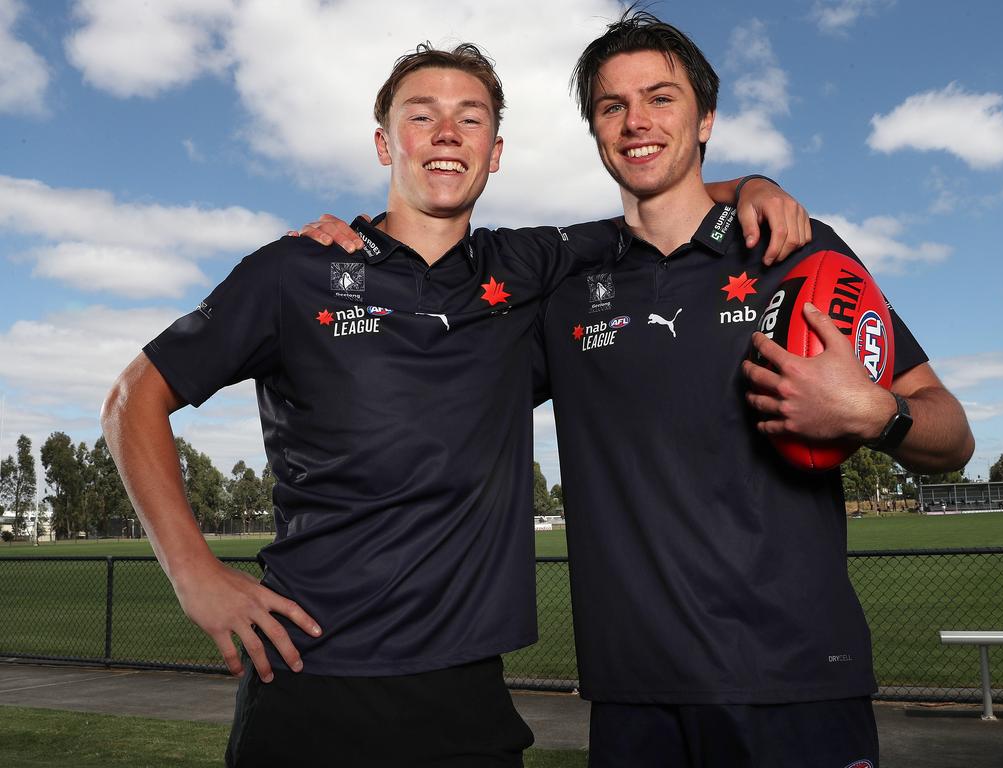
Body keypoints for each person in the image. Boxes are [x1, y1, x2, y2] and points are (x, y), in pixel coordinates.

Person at [101, 41, 808, 767]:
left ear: (494, 152)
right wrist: (195, 575)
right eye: (422, 116)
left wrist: (751, 184)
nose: (446, 134)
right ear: (384, 142)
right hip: (310, 680)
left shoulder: (526, 267)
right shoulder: (294, 272)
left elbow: (663, 204)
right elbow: (132, 400)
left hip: (467, 696)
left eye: (469, 120)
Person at [303, 11, 973, 768]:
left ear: (706, 117)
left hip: (797, 681)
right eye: (612, 106)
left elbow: (952, 433)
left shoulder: (796, 249)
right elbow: (421, 362)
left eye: (661, 98)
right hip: (631, 695)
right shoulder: (564, 287)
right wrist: (352, 257)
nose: (637, 122)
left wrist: (871, 412)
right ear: (595, 131)